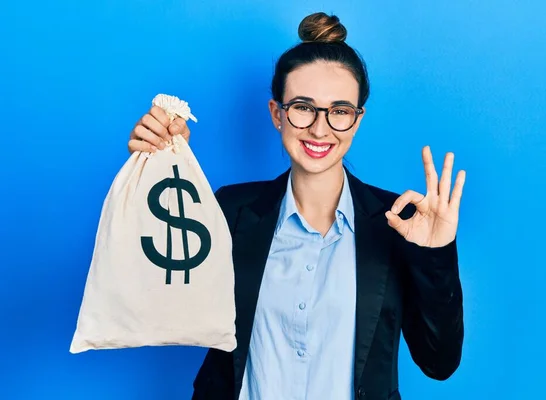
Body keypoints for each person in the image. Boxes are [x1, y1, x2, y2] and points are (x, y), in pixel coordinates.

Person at [128, 12, 465, 400]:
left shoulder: (401, 221)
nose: (320, 129)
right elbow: (158, 296)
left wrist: (435, 254)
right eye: (303, 107)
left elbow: (439, 363)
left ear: (357, 121)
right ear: (277, 114)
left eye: (339, 111)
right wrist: (158, 168)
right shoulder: (229, 209)